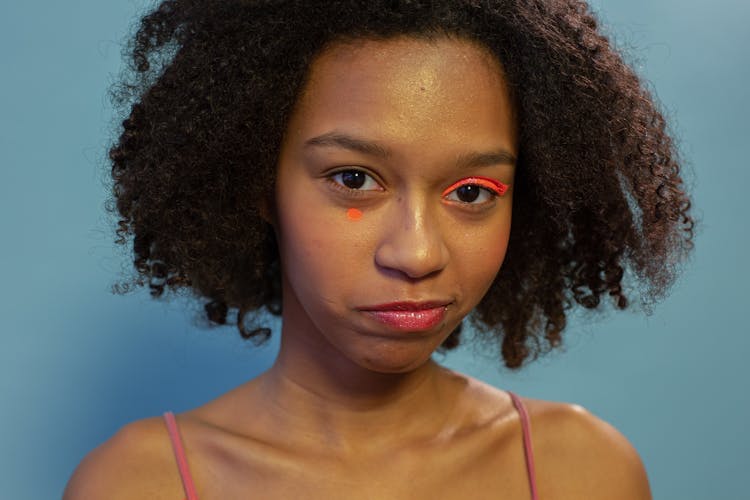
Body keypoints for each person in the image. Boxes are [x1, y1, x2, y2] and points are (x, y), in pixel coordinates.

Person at [64, 0, 694, 498]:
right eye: (354, 179)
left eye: (471, 191)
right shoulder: (140, 485)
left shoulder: (582, 475)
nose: (417, 254)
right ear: (258, 180)